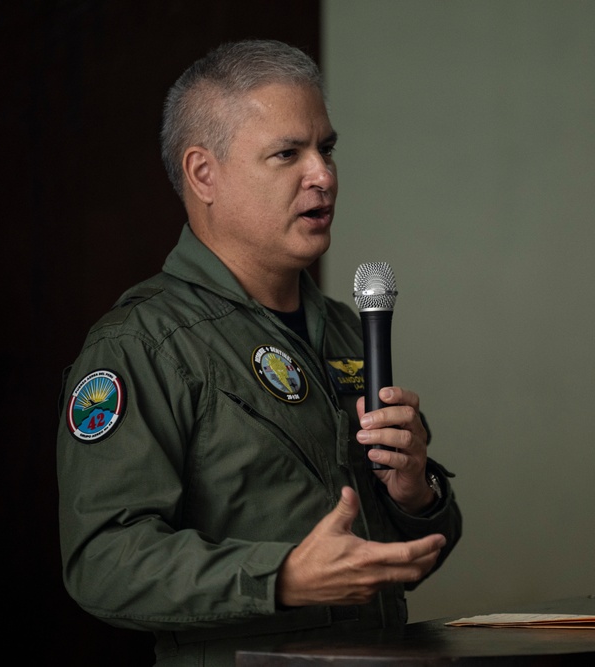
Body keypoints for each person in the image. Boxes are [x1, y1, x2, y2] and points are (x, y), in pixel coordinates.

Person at [56, 39, 462, 666]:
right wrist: (281, 577)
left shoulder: (348, 330)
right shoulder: (143, 345)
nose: (323, 174)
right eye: (286, 154)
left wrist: (417, 496)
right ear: (203, 173)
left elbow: (401, 551)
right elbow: (103, 562)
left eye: (325, 148)